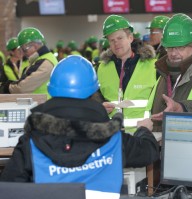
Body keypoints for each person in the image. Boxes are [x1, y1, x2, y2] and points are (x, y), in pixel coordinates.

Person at [0, 55, 160, 199]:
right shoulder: (112, 137)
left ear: (52, 91)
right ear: (93, 92)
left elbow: (9, 187)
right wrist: (143, 129)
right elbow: (149, 152)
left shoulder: (32, 141)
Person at [97, 15, 157, 133]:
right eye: (112, 40)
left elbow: (161, 101)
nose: (116, 43)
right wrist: (100, 107)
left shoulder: (152, 65)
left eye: (120, 38)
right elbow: (97, 97)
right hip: (114, 136)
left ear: (130, 38)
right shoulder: (102, 68)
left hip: (143, 135)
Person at [0, 27, 57, 98]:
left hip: (42, 105)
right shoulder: (41, 59)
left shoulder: (45, 62)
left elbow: (23, 88)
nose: (23, 53)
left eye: (24, 50)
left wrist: (6, 87)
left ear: (34, 46)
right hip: (39, 103)